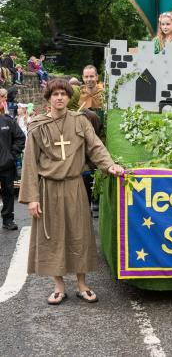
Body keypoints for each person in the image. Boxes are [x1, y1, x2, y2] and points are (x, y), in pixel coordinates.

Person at [19, 78, 124, 305]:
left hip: (75, 186)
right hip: (48, 188)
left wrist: (109, 165)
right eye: (55, 94)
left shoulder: (80, 122)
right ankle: (58, 286)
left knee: (79, 234)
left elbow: (95, 146)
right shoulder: (37, 126)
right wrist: (32, 198)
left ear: (69, 97)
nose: (59, 98)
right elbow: (29, 163)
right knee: (52, 237)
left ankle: (82, 285)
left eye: (63, 94)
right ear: (48, 98)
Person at [0, 97, 26, 230]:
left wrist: (11, 154)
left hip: (6, 165)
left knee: (8, 192)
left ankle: (8, 219)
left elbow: (21, 137)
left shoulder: (7, 120)